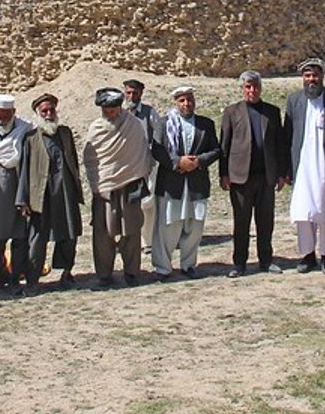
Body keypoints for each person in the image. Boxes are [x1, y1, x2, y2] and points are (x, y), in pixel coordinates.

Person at [284, 58, 325, 275]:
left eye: (315, 75)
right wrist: (286, 169)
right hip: (302, 165)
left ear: (322, 76)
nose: (311, 79)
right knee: (304, 211)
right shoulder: (294, 101)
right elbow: (288, 136)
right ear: (302, 78)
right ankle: (307, 255)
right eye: (307, 75)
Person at [219, 70, 288, 277]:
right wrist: (223, 174)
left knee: (266, 221)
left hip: (266, 176)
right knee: (241, 222)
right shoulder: (232, 112)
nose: (252, 91)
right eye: (248, 87)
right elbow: (224, 145)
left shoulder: (272, 112)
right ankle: (239, 263)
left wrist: (281, 173)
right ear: (243, 89)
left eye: (256, 87)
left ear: (261, 88)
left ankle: (266, 260)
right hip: (240, 177)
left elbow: (280, 145)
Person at [84, 87, 151, 287]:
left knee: (131, 230)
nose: (110, 113)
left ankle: (132, 273)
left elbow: (141, 151)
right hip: (104, 187)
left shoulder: (133, 125)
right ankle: (104, 274)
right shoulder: (95, 128)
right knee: (103, 232)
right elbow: (91, 159)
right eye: (106, 110)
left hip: (130, 183)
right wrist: (97, 183)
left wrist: (137, 175)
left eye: (113, 109)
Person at [151, 86, 221, 278]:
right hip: (170, 184)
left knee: (194, 226)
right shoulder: (164, 124)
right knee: (167, 227)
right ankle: (163, 267)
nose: (186, 104)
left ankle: (188, 264)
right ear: (176, 102)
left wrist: (198, 162)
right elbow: (157, 150)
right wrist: (177, 162)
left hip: (196, 183)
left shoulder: (206, 124)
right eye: (182, 100)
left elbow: (215, 150)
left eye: (189, 99)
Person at [20, 93, 83, 289]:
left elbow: (73, 161)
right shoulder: (30, 138)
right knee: (37, 237)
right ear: (37, 113)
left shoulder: (65, 133)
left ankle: (66, 272)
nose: (48, 114)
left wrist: (77, 187)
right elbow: (23, 170)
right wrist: (22, 200)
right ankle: (33, 278)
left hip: (65, 191)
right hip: (41, 195)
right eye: (44, 111)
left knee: (69, 233)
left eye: (51, 110)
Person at [0, 93, 34, 294]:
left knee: (20, 237)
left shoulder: (25, 130)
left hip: (19, 187)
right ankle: (0, 274)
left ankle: (16, 275)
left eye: (5, 115)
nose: (1, 119)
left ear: (13, 113)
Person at [123, 79, 163, 254]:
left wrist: (153, 155)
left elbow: (158, 133)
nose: (131, 96)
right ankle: (129, 239)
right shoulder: (119, 112)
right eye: (128, 93)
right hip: (124, 166)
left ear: (141, 93)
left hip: (146, 164)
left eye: (135, 93)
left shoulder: (149, 112)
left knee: (147, 204)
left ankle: (148, 241)